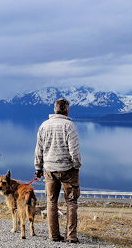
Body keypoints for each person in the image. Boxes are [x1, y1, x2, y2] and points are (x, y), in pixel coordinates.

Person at [34, 98, 81, 243]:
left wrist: (38, 168)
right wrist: (76, 165)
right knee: (71, 202)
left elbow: (39, 150)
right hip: (68, 170)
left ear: (55, 109)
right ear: (67, 110)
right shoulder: (69, 126)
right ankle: (71, 236)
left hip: (49, 170)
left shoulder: (44, 126)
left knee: (51, 202)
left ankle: (54, 235)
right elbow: (74, 150)